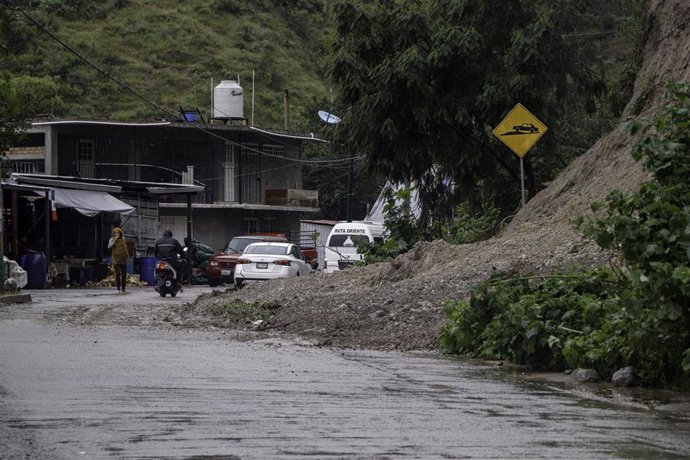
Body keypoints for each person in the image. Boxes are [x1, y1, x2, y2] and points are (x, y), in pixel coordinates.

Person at [108, 227, 130, 294]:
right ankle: (118, 289)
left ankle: (123, 289)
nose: (116, 234)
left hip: (123, 259)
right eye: (114, 233)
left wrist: (127, 256)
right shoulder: (112, 239)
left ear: (120, 233)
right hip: (116, 259)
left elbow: (125, 248)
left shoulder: (123, 239)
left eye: (117, 233)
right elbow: (109, 246)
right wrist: (114, 241)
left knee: (124, 274)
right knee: (117, 274)